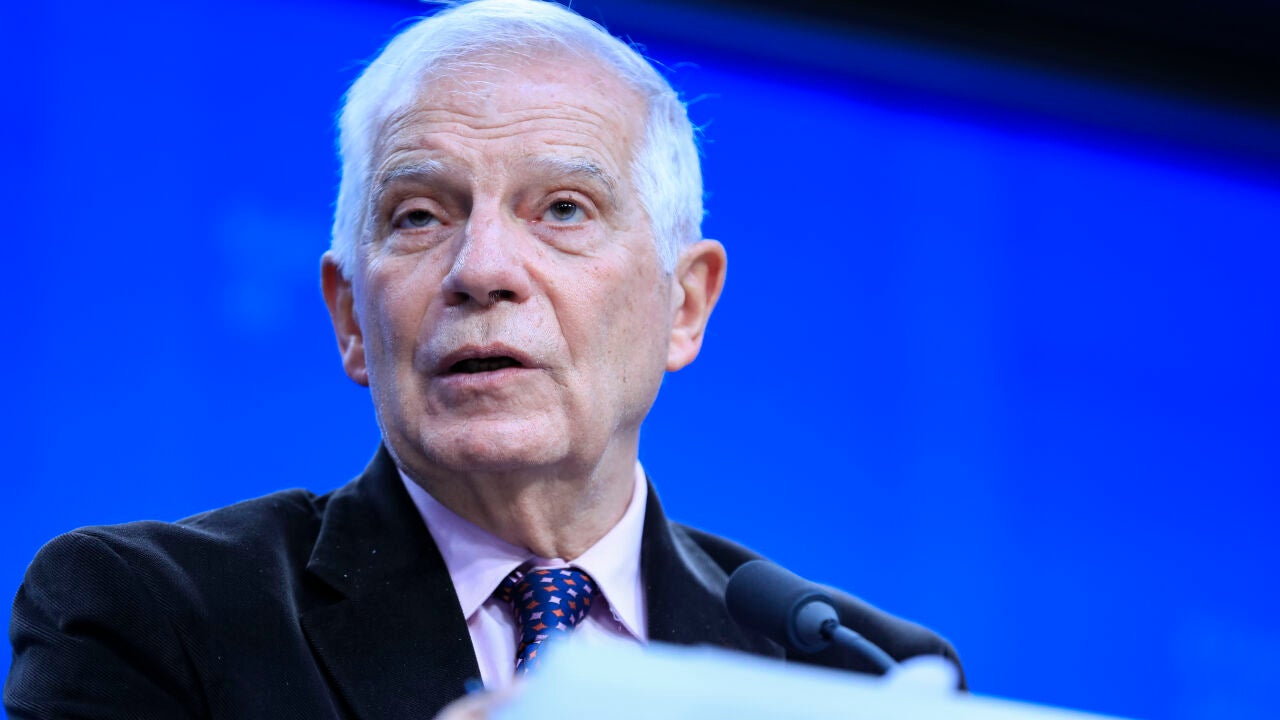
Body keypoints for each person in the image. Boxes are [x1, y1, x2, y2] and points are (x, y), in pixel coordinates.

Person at [4, 1, 963, 717]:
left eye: (563, 210)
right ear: (349, 317)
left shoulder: (851, 672)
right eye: (420, 216)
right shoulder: (151, 616)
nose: (483, 270)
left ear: (685, 304)